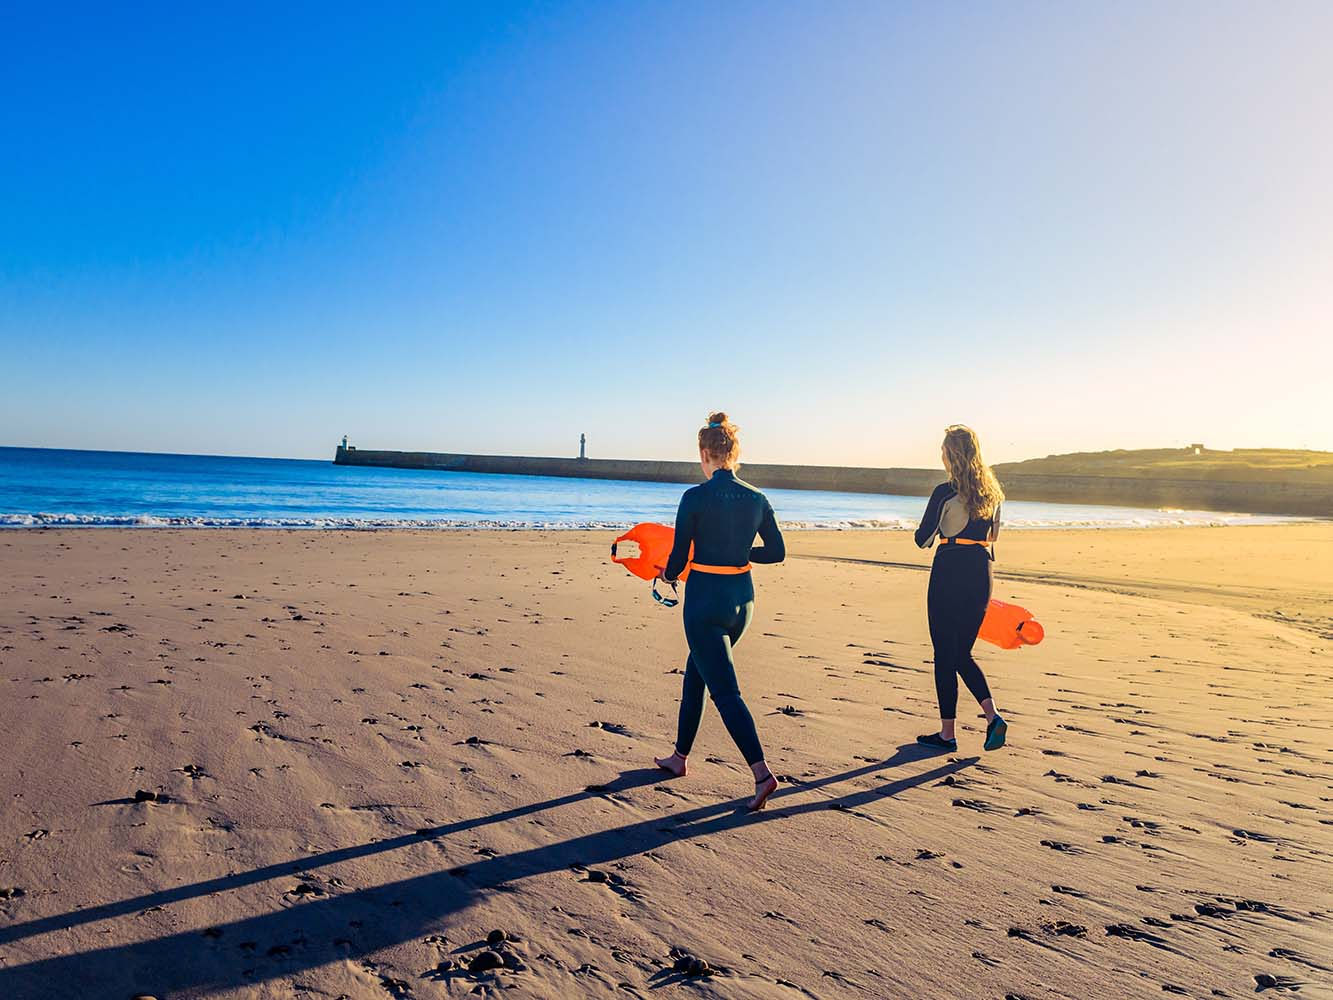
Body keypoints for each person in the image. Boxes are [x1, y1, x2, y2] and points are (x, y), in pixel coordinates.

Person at [653, 412, 786, 810]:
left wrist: (667, 573)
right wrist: (741, 552)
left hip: (706, 600)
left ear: (705, 453)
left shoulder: (694, 497)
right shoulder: (757, 498)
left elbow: (678, 558)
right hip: (742, 601)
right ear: (733, 453)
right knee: (697, 674)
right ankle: (679, 758)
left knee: (725, 690)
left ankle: (762, 775)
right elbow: (777, 553)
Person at [913, 424, 1008, 753]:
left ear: (949, 454)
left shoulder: (945, 491)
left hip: (950, 570)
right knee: (962, 652)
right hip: (982, 571)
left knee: (944, 653)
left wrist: (943, 525)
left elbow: (923, 539)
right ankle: (993, 717)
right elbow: (994, 537)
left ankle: (948, 734)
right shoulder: (994, 494)